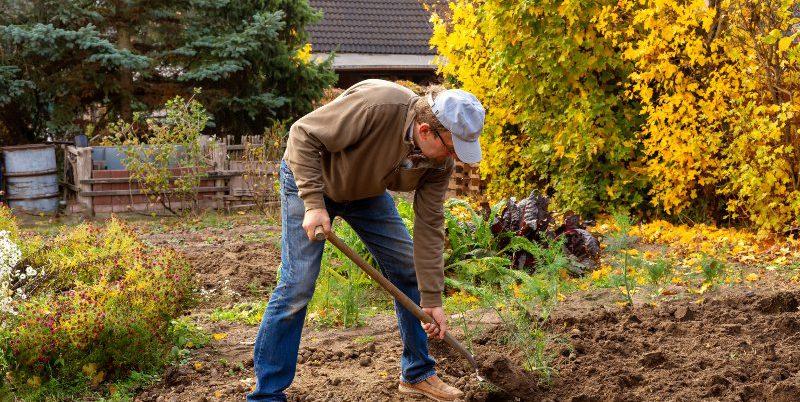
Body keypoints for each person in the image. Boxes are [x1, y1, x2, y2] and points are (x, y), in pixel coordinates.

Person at [247, 79, 485, 402]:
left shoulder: (438, 162)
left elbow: (429, 224)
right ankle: (267, 394)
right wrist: (314, 205)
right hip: (312, 178)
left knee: (407, 270)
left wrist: (432, 299)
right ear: (427, 131)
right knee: (297, 284)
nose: (453, 158)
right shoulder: (377, 107)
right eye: (453, 146)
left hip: (364, 192)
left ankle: (417, 373)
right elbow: (302, 135)